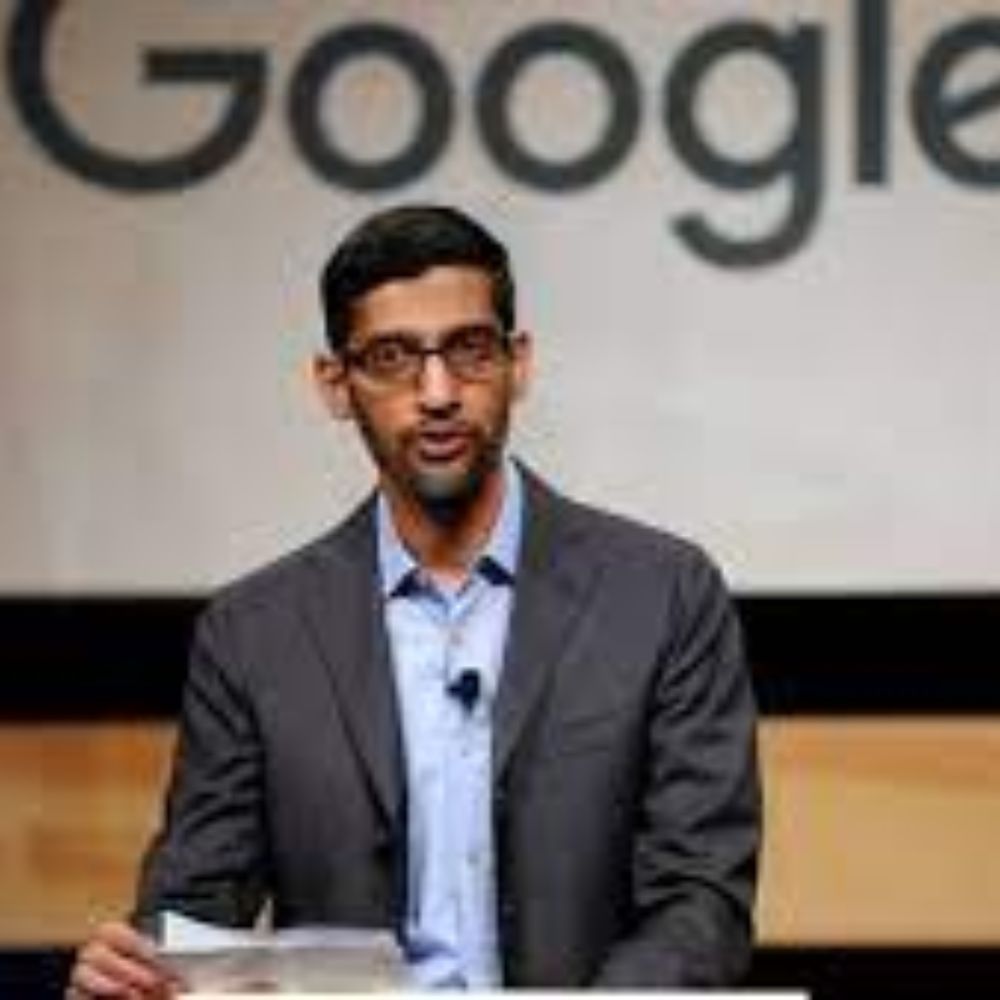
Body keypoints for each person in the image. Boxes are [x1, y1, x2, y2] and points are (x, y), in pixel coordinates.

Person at [67, 204, 760, 997]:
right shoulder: (255, 634)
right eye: (393, 358)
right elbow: (198, 907)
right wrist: (135, 975)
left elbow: (700, 900)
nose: (437, 393)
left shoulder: (661, 594)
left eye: (469, 350)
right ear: (335, 385)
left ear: (518, 364)